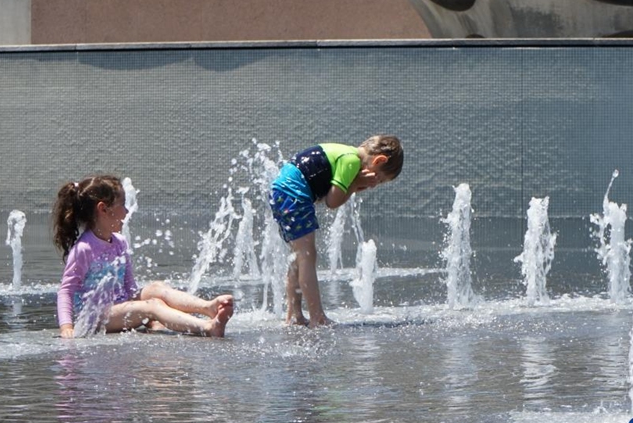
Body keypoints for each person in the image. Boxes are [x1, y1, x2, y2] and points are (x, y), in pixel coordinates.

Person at [52, 175, 234, 339]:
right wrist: (67, 327)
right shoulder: (84, 249)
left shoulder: (120, 242)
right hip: (95, 315)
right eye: (122, 205)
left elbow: (130, 289)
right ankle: (208, 327)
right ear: (103, 209)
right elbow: (66, 291)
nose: (126, 211)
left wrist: (144, 315)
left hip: (118, 307)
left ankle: (207, 307)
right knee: (152, 305)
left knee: (157, 288)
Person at [270, 135, 403, 327]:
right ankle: (317, 316)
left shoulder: (347, 154)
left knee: (299, 256)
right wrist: (356, 184)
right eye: (379, 179)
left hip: (283, 191)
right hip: (293, 194)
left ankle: (294, 314)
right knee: (307, 255)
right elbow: (333, 202)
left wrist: (355, 185)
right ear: (379, 160)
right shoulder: (351, 161)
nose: (375, 184)